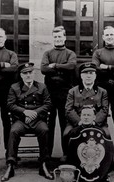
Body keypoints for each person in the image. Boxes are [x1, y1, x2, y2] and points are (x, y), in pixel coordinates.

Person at [1, 63, 53, 182]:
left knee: (44, 130)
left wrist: (35, 112)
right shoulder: (14, 87)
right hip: (21, 119)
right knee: (13, 131)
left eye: (30, 72)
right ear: (21, 75)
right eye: (25, 73)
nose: (28, 75)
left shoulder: (42, 87)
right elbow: (10, 105)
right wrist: (25, 112)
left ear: (34, 73)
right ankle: (10, 165)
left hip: (38, 119)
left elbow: (48, 104)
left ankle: (43, 164)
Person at [41, 26, 77, 160]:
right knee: (49, 125)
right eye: (55, 37)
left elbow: (71, 66)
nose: (58, 39)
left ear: (65, 38)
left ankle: (66, 154)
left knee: (65, 124)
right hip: (50, 93)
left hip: (65, 93)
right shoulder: (47, 53)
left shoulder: (70, 53)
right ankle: (47, 154)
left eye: (60, 36)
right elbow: (43, 69)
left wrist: (55, 66)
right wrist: (62, 69)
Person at [64, 62, 110, 147]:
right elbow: (68, 109)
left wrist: (94, 122)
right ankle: (67, 155)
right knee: (67, 134)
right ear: (81, 76)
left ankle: (104, 158)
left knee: (106, 135)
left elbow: (104, 109)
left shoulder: (102, 91)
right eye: (85, 73)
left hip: (96, 122)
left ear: (95, 76)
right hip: (77, 122)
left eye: (91, 73)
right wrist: (79, 122)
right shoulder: (73, 91)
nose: (88, 76)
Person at [67, 105, 114, 182]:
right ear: (80, 116)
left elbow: (107, 153)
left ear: (94, 117)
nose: (86, 117)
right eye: (84, 115)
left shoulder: (101, 132)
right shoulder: (73, 133)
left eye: (88, 115)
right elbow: (71, 153)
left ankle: (100, 176)